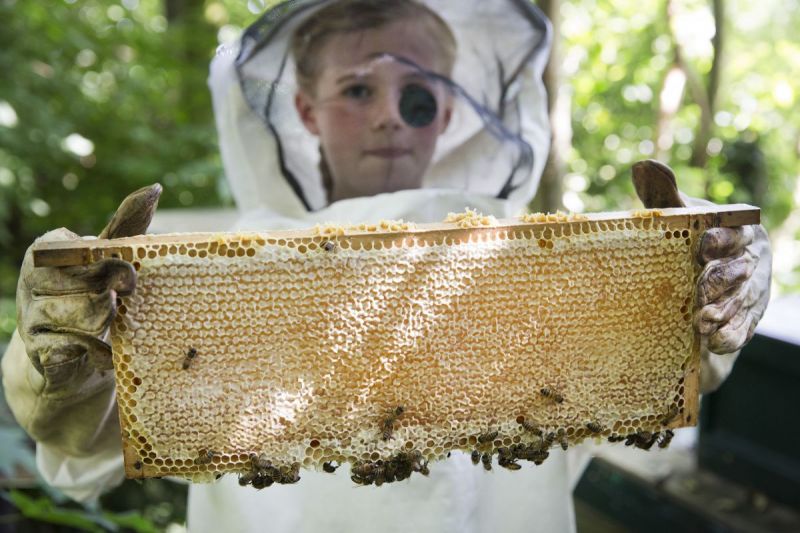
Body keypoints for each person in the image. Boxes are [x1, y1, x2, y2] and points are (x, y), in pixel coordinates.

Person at [2, 1, 772, 532]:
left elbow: (660, 379)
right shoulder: (215, 278)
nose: (384, 114)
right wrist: (56, 366)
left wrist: (704, 273)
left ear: (450, 107)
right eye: (356, 88)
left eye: (417, 93)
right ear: (304, 110)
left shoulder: (541, 260)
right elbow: (85, 448)